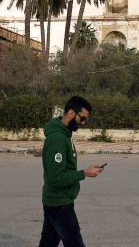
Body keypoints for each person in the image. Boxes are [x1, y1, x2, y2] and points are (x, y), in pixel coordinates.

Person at [39, 96, 103, 247]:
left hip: (56, 201)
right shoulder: (58, 139)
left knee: (48, 243)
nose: (83, 123)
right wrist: (84, 173)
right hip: (60, 204)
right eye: (82, 119)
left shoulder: (64, 134)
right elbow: (56, 178)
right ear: (71, 113)